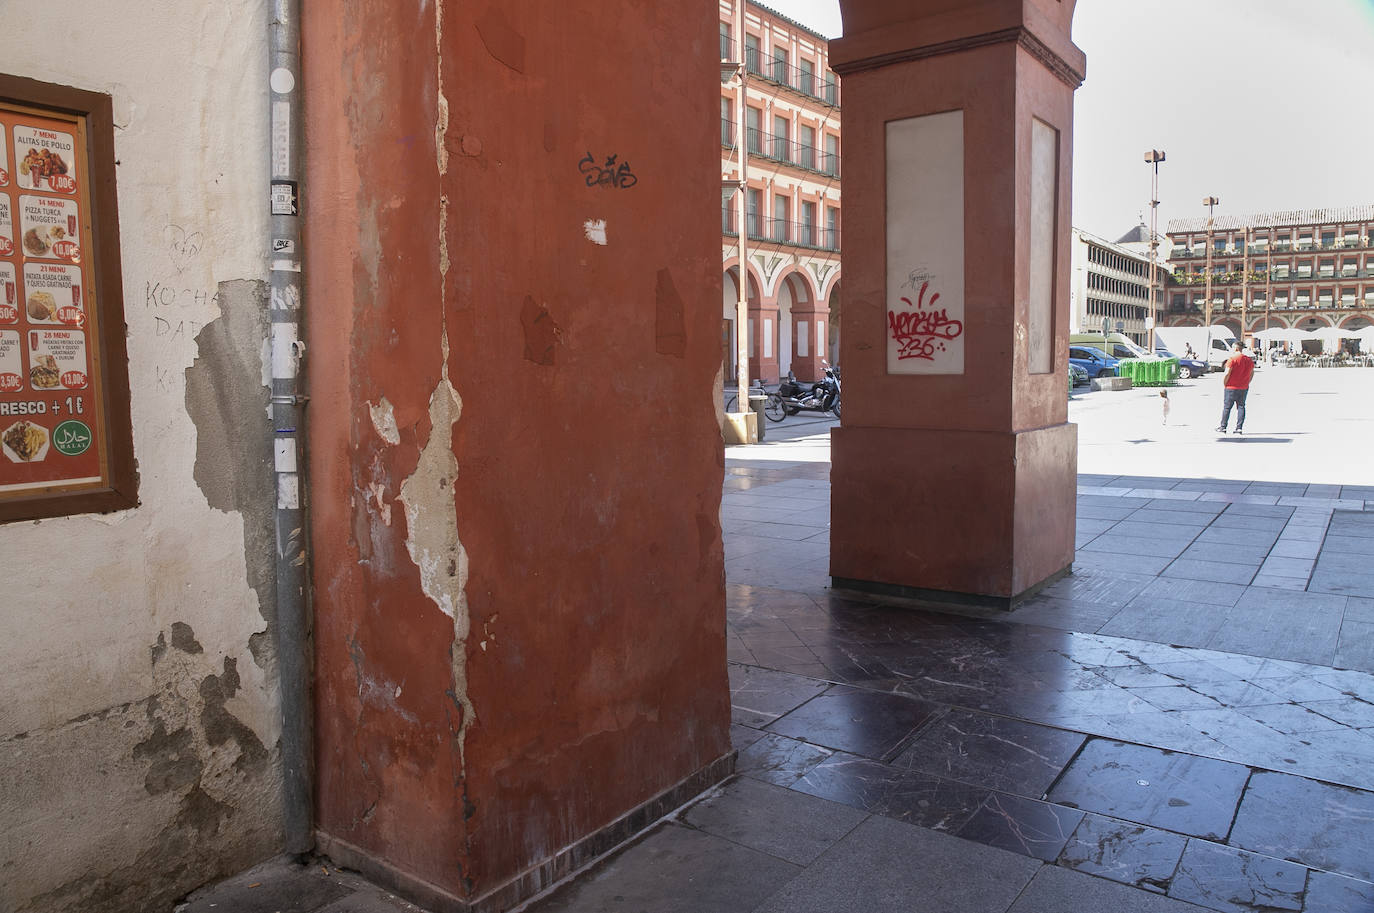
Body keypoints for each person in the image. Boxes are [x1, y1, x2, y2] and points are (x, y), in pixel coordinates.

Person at [1217, 341, 1254, 434]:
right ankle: (1239, 428)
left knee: (1227, 408)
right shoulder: (1249, 360)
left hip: (1231, 387)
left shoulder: (1232, 359)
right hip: (1244, 387)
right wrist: (1248, 381)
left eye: (1232, 348)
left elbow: (1227, 373)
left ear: (1236, 348)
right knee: (1241, 406)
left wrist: (1225, 383)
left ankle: (1223, 427)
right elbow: (1252, 372)